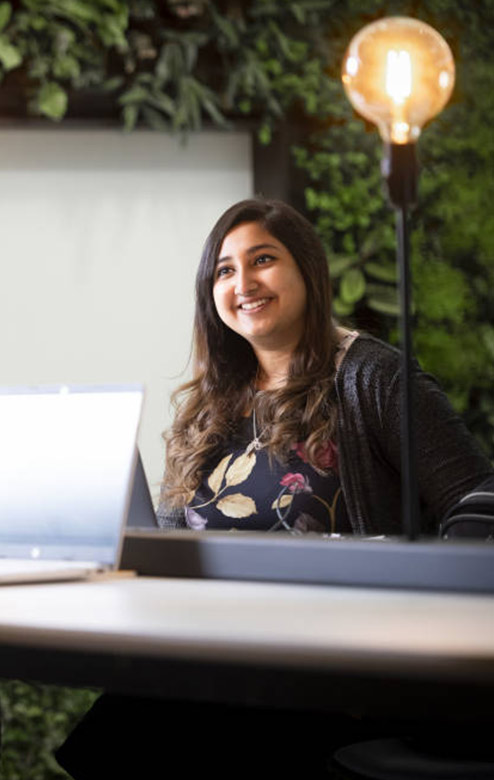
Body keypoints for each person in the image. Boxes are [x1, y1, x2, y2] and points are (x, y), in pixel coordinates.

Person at [56, 197, 494, 779]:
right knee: (121, 726)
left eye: (263, 259)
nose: (244, 282)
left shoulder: (372, 376)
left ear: (306, 270)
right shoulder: (205, 410)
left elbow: (479, 494)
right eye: (225, 270)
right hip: (224, 655)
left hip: (340, 672)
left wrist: (422, 598)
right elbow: (164, 543)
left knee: (144, 733)